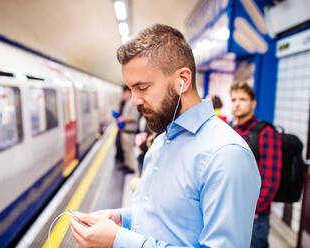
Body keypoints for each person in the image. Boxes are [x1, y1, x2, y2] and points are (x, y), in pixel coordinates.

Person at [70, 24, 260, 248]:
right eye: (131, 89)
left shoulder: (226, 155)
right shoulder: (162, 140)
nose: (134, 101)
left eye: (142, 87)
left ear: (183, 80)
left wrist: (119, 240)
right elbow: (166, 217)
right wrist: (121, 219)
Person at [230, 81, 282, 248]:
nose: (237, 103)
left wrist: (256, 209)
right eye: (233, 99)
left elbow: (271, 177)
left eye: (242, 99)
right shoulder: (229, 130)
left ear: (253, 104)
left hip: (253, 217)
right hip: (229, 210)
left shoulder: (265, 133)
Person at [117, 85, 140, 174]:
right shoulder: (127, 102)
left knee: (129, 150)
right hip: (124, 131)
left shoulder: (133, 103)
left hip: (130, 132)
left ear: (129, 92)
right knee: (126, 150)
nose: (124, 95)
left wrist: (123, 119)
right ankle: (127, 165)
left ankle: (131, 167)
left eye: (124, 93)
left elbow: (133, 117)